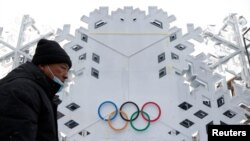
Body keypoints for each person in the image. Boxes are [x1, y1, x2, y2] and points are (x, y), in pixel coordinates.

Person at [0, 38, 72, 141]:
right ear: (42, 65)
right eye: (62, 68)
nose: (66, 76)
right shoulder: (21, 90)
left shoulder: (39, 93)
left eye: (68, 70)